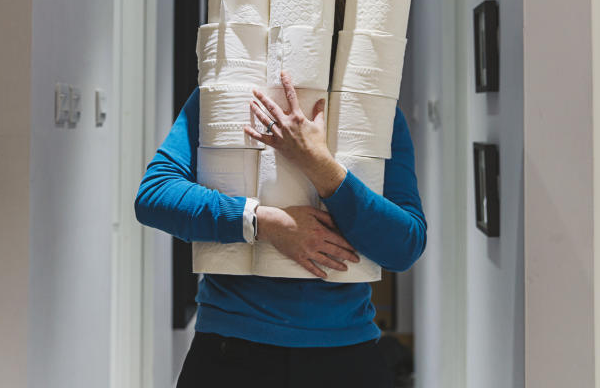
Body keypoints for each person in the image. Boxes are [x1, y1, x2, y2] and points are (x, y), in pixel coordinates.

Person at [134, 67, 426, 388]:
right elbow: (155, 195)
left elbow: (405, 245)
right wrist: (263, 222)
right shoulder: (226, 95)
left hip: (344, 352)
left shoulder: (376, 110)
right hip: (230, 348)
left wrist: (319, 165)